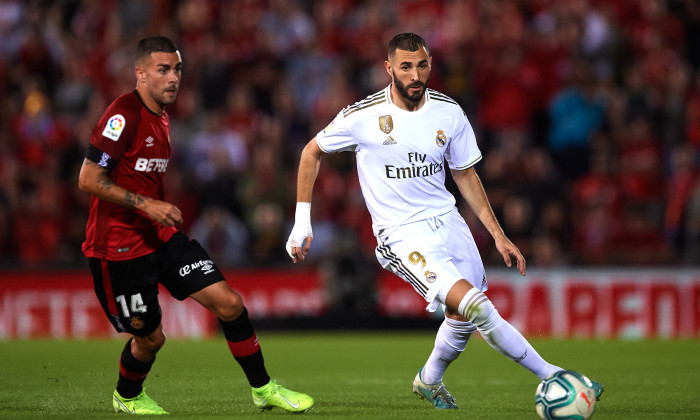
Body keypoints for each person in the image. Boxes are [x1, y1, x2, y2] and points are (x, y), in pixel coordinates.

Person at [286, 32, 603, 410]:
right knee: (478, 307)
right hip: (401, 235)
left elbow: (465, 175)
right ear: (389, 69)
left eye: (421, 65)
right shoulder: (363, 116)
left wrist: (498, 235)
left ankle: (429, 379)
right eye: (405, 67)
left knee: (463, 317)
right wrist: (301, 221)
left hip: (448, 221)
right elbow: (311, 152)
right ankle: (556, 376)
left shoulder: (449, 112)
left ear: (430, 63)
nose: (415, 75)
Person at [78, 36, 313, 415]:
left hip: (160, 237)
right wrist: (147, 204)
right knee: (151, 339)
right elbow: (88, 179)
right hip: (117, 249)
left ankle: (263, 388)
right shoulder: (122, 114)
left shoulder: (164, 117)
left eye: (177, 69)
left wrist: (154, 210)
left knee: (230, 304)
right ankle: (127, 395)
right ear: (140, 73)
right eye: (163, 70)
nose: (174, 78)